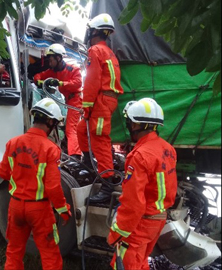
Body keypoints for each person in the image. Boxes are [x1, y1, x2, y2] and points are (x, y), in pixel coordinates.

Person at [0, 98, 72, 270]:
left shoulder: (13, 143)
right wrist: (63, 210)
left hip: (15, 206)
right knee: (49, 253)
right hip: (39, 210)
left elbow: (3, 173)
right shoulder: (50, 149)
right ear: (51, 122)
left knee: (14, 250)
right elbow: (53, 186)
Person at [107, 98, 178, 270]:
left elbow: (134, 204)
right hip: (158, 220)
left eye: (130, 122)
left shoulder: (139, 156)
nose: (129, 126)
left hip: (141, 224)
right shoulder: (168, 148)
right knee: (141, 262)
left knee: (125, 265)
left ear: (137, 125)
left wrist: (117, 232)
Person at [76, 13, 124, 203]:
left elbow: (91, 81)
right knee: (81, 130)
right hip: (105, 100)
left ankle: (107, 185)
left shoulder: (95, 50)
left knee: (100, 140)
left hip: (101, 101)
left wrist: (86, 107)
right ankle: (88, 165)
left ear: (94, 31)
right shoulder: (108, 52)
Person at [33, 44, 83, 160]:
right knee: (68, 127)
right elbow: (38, 76)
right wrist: (39, 81)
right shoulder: (53, 71)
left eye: (51, 60)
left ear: (58, 58)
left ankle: (75, 157)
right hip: (68, 100)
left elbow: (78, 83)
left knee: (71, 128)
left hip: (76, 100)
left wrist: (60, 83)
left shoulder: (73, 68)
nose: (49, 63)